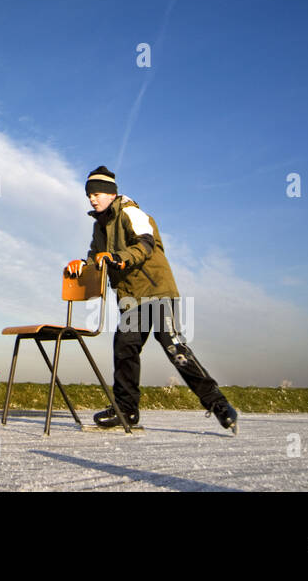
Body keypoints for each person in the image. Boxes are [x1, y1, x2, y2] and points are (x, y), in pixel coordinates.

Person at [70, 165, 238, 433]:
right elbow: (95, 258)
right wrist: (82, 264)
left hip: (157, 291)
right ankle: (126, 411)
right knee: (124, 347)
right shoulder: (99, 227)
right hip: (130, 297)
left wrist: (118, 258)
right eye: (89, 194)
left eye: (98, 192)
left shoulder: (131, 212)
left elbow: (145, 244)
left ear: (112, 194)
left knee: (174, 348)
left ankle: (219, 404)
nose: (92, 198)